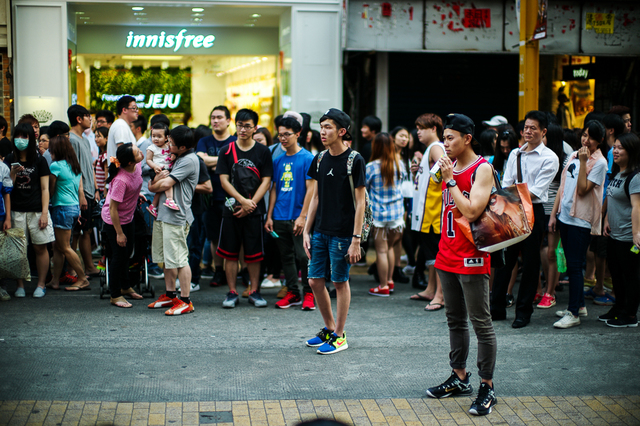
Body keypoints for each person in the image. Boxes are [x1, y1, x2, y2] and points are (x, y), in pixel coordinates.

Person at [426, 113, 497, 417]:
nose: (446, 143)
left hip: (472, 256)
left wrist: (451, 180)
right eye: (444, 138)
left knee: (481, 323)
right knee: (454, 319)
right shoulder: (447, 165)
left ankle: (487, 385)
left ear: (467, 138)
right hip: (446, 253)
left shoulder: (482, 169)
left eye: (451, 138)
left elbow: (471, 211)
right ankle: (459, 377)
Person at [303, 108, 366, 355]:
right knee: (314, 280)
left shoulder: (355, 160)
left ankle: (340, 335)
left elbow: (360, 202)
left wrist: (356, 240)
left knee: (340, 282)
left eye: (328, 127)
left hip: (343, 234)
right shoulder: (319, 159)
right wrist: (307, 230)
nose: (323, 131)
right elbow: (316, 196)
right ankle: (330, 329)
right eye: (321, 126)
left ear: (342, 131)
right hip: (320, 230)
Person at [490, 111, 559, 329]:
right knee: (505, 261)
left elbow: (537, 192)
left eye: (533, 128)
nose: (528, 131)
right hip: (511, 209)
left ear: (543, 131)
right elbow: (506, 183)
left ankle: (523, 312)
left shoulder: (550, 158)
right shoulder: (515, 154)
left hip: (533, 212)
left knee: (530, 264)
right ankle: (497, 308)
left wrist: (513, 192)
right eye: (526, 128)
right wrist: (511, 194)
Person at [549, 120, 608, 329]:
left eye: (591, 137)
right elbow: (563, 185)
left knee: (574, 267)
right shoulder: (574, 154)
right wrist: (554, 214)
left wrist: (584, 162)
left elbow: (583, 190)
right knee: (572, 263)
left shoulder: (599, 163)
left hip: (581, 221)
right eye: (584, 135)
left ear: (600, 140)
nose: (586, 140)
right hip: (565, 216)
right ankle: (579, 305)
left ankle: (573, 313)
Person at [215, 108, 273, 309]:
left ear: (255, 127)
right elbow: (223, 180)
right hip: (231, 209)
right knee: (230, 253)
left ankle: (254, 291)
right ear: (235, 125)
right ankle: (232, 292)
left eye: (247, 126)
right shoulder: (226, 150)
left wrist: (251, 205)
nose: (243, 129)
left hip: (254, 211)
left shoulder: (263, 151)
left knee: (254, 254)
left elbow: (266, 181)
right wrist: (241, 200)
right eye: (240, 125)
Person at [147, 126, 200, 315]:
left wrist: (153, 186)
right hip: (163, 214)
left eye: (172, 143)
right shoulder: (176, 157)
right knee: (167, 259)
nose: (168, 144)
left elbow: (165, 184)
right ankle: (170, 295)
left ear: (183, 147)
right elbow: (157, 183)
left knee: (179, 258)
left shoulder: (189, 160)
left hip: (177, 216)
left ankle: (185, 300)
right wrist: (155, 184)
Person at [265, 116, 315, 310]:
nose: (282, 138)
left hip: (298, 216)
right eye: (280, 135)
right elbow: (274, 189)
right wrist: (269, 216)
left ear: (298, 134)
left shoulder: (308, 158)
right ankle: (293, 292)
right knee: (285, 256)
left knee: (304, 256)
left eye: (287, 134)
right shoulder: (277, 160)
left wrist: (303, 217)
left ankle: (309, 293)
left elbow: (312, 189)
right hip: (279, 216)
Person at [5, 123, 55, 297]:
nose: (21, 140)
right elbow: (5, 189)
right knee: (18, 250)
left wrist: (44, 213)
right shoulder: (10, 159)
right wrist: (12, 173)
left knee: (40, 248)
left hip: (36, 211)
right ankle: (20, 285)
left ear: (31, 139)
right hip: (15, 211)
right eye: (18, 136)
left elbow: (45, 189)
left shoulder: (39, 160)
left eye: (25, 136)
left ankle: (41, 284)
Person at [196, 105, 237, 288]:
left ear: (228, 120)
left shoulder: (236, 140)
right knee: (214, 237)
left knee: (235, 235)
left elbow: (235, 162)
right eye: (213, 117)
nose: (215, 121)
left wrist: (213, 164)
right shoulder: (204, 141)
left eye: (219, 117)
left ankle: (238, 272)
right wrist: (223, 160)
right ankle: (218, 270)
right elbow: (200, 161)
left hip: (233, 195)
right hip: (210, 196)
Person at [602, 132, 640, 327]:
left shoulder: (635, 177)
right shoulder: (618, 173)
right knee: (616, 274)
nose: (614, 151)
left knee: (630, 277)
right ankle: (619, 307)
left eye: (620, 148)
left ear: (631, 151)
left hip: (627, 237)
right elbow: (612, 197)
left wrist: (636, 234)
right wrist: (607, 218)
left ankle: (630, 315)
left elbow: (637, 207)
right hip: (615, 234)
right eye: (614, 147)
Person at [101, 144, 145, 308]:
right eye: (136, 151)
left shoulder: (137, 165)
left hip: (129, 216)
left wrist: (135, 194)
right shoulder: (121, 180)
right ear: (129, 162)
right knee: (119, 257)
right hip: (114, 221)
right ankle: (115, 294)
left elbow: (135, 183)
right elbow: (113, 209)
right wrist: (119, 233)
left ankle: (126, 287)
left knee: (128, 253)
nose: (140, 151)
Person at [409, 113, 446, 310]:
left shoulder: (436, 148)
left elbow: (443, 169)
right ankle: (431, 290)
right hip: (427, 214)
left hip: (433, 214)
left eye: (421, 128)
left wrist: (431, 175)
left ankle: (440, 296)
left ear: (433, 129)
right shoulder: (430, 149)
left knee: (436, 255)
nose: (418, 132)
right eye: (417, 128)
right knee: (431, 254)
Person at [45, 135, 90, 292]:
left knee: (64, 247)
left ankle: (82, 278)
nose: (49, 152)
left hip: (61, 208)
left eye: (51, 150)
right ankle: (55, 281)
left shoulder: (55, 166)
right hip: (73, 208)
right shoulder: (74, 166)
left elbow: (50, 189)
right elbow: (78, 189)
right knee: (59, 247)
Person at [365, 132, 406, 297]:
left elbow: (365, 190)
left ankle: (382, 286)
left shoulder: (371, 167)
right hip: (396, 215)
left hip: (379, 215)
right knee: (389, 247)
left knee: (381, 250)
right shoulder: (399, 164)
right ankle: (389, 281)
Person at [537, 123, 568, 309]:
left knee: (551, 253)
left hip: (553, 212)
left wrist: (555, 214)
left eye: (545, 134)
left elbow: (562, 190)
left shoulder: (563, 160)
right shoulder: (539, 155)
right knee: (536, 253)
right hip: (538, 210)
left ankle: (550, 292)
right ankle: (541, 289)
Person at [67, 105, 100, 279]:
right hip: (78, 193)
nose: (91, 119)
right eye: (88, 116)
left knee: (86, 231)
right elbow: (75, 169)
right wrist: (80, 193)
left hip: (88, 191)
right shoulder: (71, 140)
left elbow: (90, 167)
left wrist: (95, 188)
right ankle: (73, 270)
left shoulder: (85, 140)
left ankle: (89, 267)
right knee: (75, 232)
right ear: (79, 119)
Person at [146, 122, 179, 217]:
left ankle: (153, 206)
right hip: (156, 170)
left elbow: (173, 154)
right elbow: (148, 160)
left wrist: (173, 156)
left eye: (159, 136)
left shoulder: (169, 146)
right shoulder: (151, 148)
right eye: (153, 136)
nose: (155, 138)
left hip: (165, 169)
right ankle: (170, 199)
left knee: (159, 191)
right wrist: (154, 166)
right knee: (168, 183)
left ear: (166, 138)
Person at [107, 96, 138, 165]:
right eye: (134, 108)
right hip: (122, 173)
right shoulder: (120, 125)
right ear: (124, 110)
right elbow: (123, 153)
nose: (137, 111)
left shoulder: (122, 125)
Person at [94, 126, 108, 198]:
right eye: (95, 136)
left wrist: (105, 194)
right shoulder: (101, 155)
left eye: (99, 136)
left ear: (106, 138)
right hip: (100, 191)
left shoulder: (105, 156)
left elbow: (106, 176)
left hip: (102, 192)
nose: (96, 139)